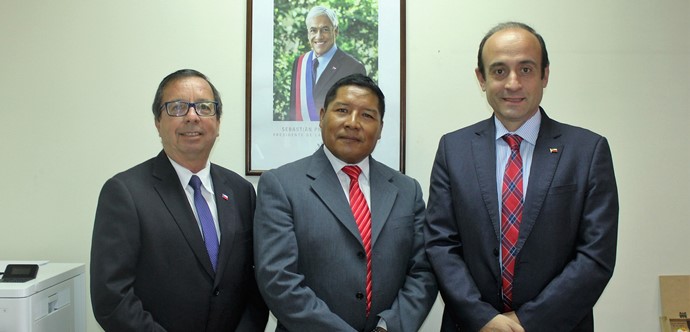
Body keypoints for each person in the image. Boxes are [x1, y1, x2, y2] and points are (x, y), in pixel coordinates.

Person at [425, 22, 619, 331]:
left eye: (526, 70)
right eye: (499, 71)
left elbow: (595, 256)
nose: (513, 83)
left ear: (545, 75)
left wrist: (528, 321)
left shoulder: (588, 150)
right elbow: (440, 244)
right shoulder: (453, 148)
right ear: (481, 78)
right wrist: (483, 318)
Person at [255, 74, 437, 331]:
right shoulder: (281, 185)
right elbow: (278, 279)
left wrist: (388, 327)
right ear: (321, 116)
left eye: (367, 115)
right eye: (342, 110)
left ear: (381, 128)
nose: (353, 123)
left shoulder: (407, 190)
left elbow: (423, 273)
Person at [90, 69, 268, 331]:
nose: (192, 117)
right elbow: (111, 298)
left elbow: (256, 284)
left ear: (218, 122)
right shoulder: (125, 192)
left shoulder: (242, 192)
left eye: (204, 107)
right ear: (157, 122)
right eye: (177, 107)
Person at [288, 5, 366, 121]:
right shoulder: (299, 63)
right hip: (301, 136)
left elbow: (358, 113)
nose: (318, 36)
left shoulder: (353, 68)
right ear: (308, 33)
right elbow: (293, 111)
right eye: (313, 30)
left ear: (336, 31)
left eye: (325, 29)